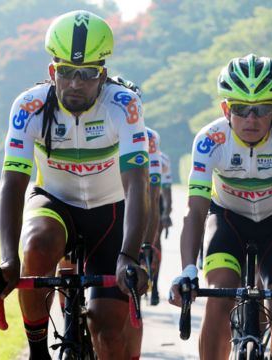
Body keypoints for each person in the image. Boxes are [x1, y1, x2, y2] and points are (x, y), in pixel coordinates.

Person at [0, 11, 150, 360]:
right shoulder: (29, 106)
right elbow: (14, 185)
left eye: (87, 74)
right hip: (55, 204)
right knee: (37, 246)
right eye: (65, 72)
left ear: (102, 76)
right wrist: (8, 260)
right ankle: (37, 352)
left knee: (108, 334)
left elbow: (137, 183)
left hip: (110, 213)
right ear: (51, 72)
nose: (75, 83)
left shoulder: (124, 104)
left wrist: (129, 256)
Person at [169, 54, 272, 360]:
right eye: (240, 109)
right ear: (226, 109)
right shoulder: (210, 140)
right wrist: (188, 270)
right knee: (219, 297)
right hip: (227, 221)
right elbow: (195, 211)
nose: (251, 119)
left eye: (260, 109)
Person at [111, 77, 163, 360]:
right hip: (99, 209)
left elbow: (151, 199)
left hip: (131, 211)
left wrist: (146, 245)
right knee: (66, 268)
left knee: (131, 292)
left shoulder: (148, 138)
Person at [150, 151, 173, 305]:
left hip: (137, 199)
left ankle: (154, 287)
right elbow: (167, 194)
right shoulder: (163, 160)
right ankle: (155, 290)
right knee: (156, 242)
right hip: (156, 201)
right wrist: (165, 214)